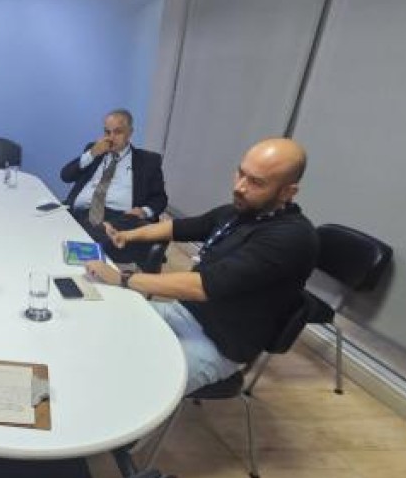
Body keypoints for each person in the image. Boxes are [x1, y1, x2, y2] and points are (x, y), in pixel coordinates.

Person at [85, 138, 318, 394]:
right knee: (99, 324)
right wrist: (127, 235)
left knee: (129, 390)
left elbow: (203, 286)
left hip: (218, 345)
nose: (240, 187)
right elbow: (179, 227)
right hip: (183, 313)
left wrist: (123, 279)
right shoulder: (240, 211)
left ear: (287, 192)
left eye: (256, 182)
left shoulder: (290, 237)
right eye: (241, 173)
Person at [61, 109, 168, 268]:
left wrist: (144, 211)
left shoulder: (147, 161)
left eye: (117, 132)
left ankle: (92, 243)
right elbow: (65, 176)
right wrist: (92, 153)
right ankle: (98, 238)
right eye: (107, 132)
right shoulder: (94, 150)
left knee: (118, 229)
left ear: (130, 133)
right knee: (72, 225)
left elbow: (160, 198)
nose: (111, 138)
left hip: (120, 218)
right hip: (83, 212)